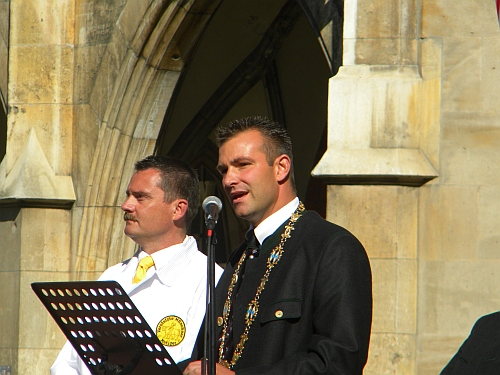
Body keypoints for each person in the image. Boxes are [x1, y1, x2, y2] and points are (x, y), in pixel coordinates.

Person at [183, 116, 372, 375]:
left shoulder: (332, 248)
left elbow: (338, 363)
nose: (228, 180)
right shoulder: (241, 256)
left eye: (242, 165)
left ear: (281, 168)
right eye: (224, 170)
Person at [50, 155, 223, 374]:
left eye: (140, 197)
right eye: (128, 195)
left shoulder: (209, 279)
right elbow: (68, 362)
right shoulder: (112, 275)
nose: (126, 205)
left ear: (178, 209)